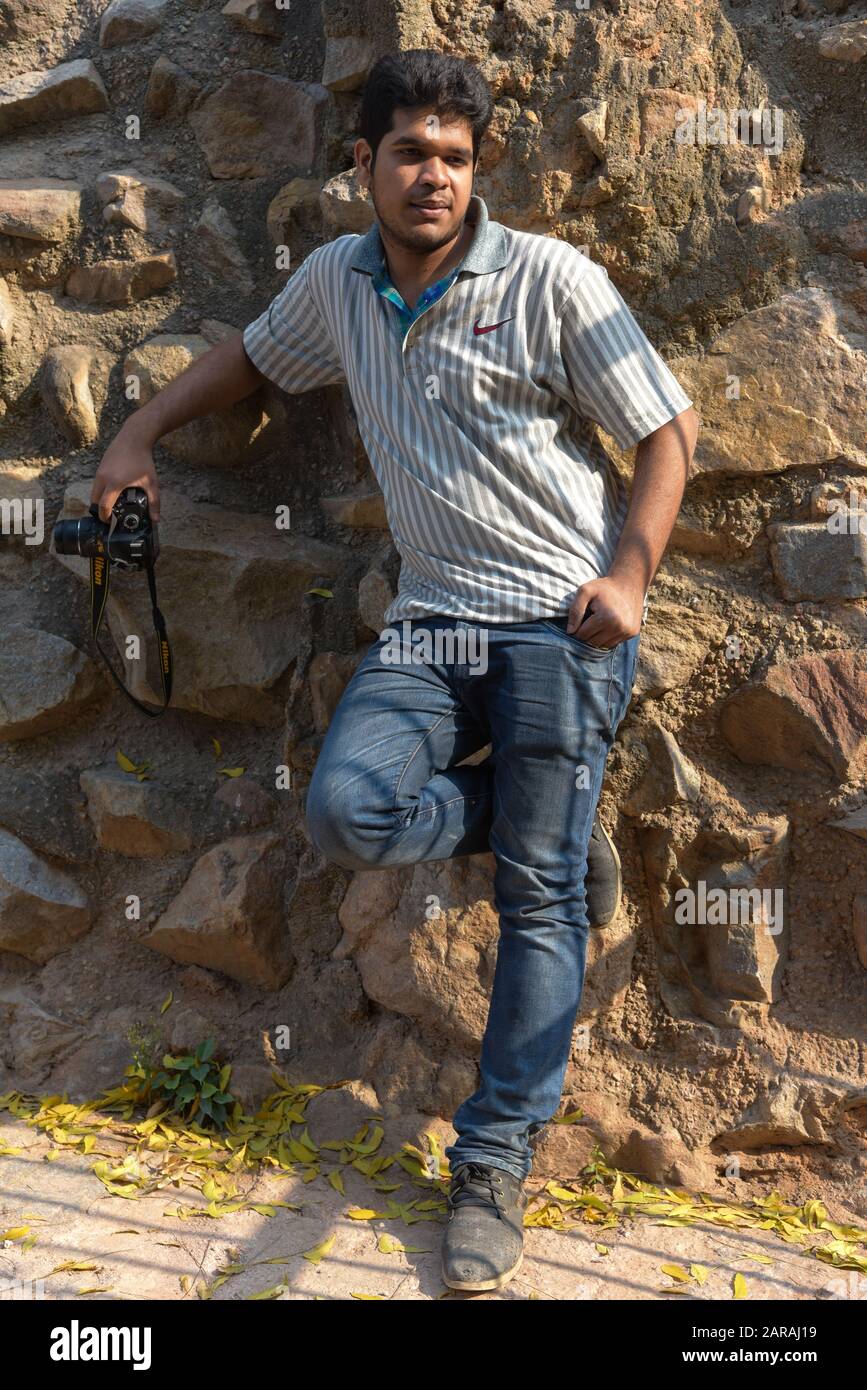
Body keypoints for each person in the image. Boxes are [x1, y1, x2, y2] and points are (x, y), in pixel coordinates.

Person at [91, 49, 699, 1293]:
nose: (435, 175)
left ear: (479, 170)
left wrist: (628, 578)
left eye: (457, 156)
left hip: (555, 626)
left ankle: (493, 1161)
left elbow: (664, 431)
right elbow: (256, 362)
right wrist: (138, 432)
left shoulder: (546, 278)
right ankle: (547, 808)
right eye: (411, 152)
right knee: (347, 810)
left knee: (537, 902)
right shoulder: (338, 280)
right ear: (361, 164)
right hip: (429, 626)